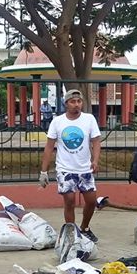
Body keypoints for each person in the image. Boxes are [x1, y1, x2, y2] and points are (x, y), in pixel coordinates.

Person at [39, 89, 102, 242]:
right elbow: (49, 146)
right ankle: (71, 233)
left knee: (91, 201)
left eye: (79, 101)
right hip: (65, 169)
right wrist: (43, 172)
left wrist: (95, 160)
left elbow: (96, 141)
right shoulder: (57, 122)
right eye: (73, 102)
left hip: (84, 168)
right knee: (69, 200)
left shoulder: (89, 119)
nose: (76, 104)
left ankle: (85, 228)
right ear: (66, 104)